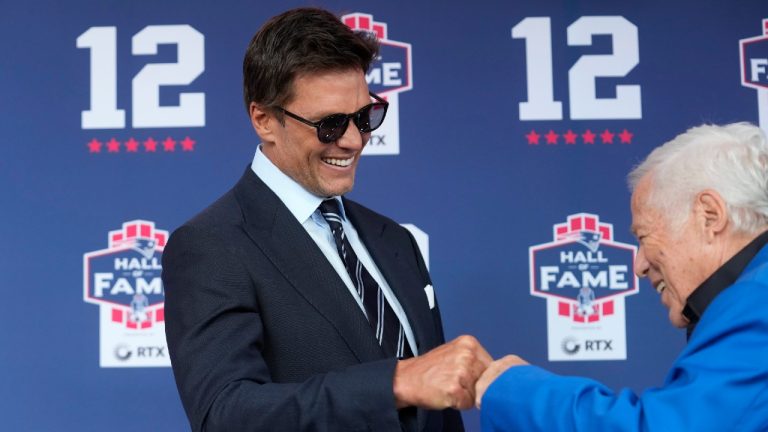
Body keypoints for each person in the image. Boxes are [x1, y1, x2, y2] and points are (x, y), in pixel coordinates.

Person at [162, 7, 490, 432]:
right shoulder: (211, 245)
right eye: (330, 124)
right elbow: (226, 413)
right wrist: (395, 382)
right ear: (264, 120)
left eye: (365, 116)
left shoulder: (393, 239)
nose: (354, 140)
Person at [475, 122, 768, 431]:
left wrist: (512, 389)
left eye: (643, 236)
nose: (639, 265)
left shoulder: (757, 301)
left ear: (710, 216)